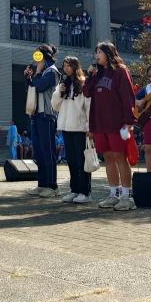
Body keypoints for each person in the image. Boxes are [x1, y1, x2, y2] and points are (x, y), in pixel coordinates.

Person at [85, 42, 137, 211]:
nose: (97, 55)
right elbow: (86, 92)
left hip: (117, 123)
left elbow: (128, 96)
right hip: (100, 123)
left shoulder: (120, 70)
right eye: (96, 52)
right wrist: (90, 75)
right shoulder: (97, 74)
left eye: (99, 52)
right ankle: (113, 194)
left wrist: (128, 121)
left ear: (108, 53)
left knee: (120, 157)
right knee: (108, 157)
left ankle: (127, 196)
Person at [23, 45, 62, 198]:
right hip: (36, 115)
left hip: (47, 115)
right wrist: (28, 78)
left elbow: (39, 87)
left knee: (48, 151)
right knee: (39, 152)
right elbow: (32, 88)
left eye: (38, 56)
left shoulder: (52, 71)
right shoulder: (43, 71)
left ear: (45, 56)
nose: (36, 60)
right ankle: (42, 185)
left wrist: (37, 73)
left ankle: (52, 186)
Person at [53, 55, 92, 204]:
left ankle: (85, 192)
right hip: (66, 127)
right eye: (64, 65)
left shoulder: (83, 82)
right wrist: (59, 92)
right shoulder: (63, 83)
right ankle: (74, 190)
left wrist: (89, 126)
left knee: (82, 161)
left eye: (69, 65)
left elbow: (88, 106)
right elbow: (55, 105)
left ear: (75, 66)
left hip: (80, 128)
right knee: (71, 161)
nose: (66, 68)